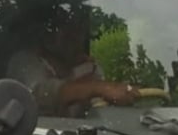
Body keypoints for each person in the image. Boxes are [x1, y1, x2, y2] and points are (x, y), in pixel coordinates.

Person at [7, 9, 139, 116]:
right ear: (46, 33)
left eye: (79, 30)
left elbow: (102, 109)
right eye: (65, 30)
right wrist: (97, 88)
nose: (73, 37)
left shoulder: (88, 68)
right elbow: (40, 95)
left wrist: (121, 95)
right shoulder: (25, 61)